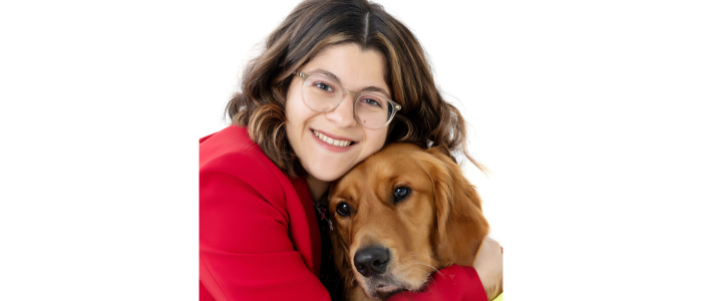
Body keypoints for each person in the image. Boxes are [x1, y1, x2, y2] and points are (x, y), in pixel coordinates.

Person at [199, 0, 503, 300]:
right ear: (282, 83)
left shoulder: (328, 189)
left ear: (391, 119)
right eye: (323, 86)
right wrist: (477, 281)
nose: (342, 118)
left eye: (371, 100)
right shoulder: (227, 180)